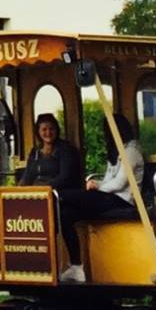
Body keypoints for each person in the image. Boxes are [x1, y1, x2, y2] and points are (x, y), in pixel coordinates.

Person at [60, 114, 147, 285]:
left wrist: (97, 189)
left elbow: (121, 182)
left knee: (66, 196)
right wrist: (96, 183)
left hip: (122, 199)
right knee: (65, 214)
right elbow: (109, 180)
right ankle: (77, 267)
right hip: (109, 196)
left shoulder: (131, 152)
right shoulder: (117, 150)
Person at [16, 113, 85, 276]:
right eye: (44, 129)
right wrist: (20, 189)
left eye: (51, 129)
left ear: (57, 130)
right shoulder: (35, 152)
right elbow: (28, 175)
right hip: (38, 197)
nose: (48, 133)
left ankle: (74, 265)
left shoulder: (65, 149)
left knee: (59, 216)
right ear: (38, 132)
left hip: (61, 196)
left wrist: (45, 188)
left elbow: (66, 176)